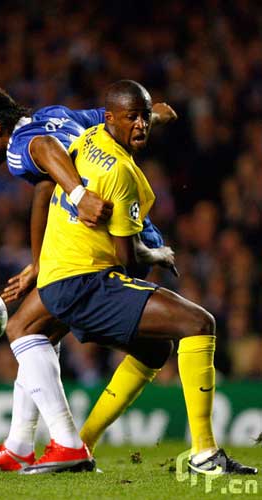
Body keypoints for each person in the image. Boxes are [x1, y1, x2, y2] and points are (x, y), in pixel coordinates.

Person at [22, 79, 257, 476]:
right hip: (85, 281)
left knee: (154, 351)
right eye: (133, 118)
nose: (141, 125)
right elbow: (126, 261)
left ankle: (80, 446)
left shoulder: (91, 136)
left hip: (63, 277)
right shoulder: (119, 172)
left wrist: (158, 112)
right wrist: (157, 253)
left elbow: (48, 186)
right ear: (111, 117)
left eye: (145, 117)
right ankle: (204, 454)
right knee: (198, 322)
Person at [0, 85, 178, 473]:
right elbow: (102, 123)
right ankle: (19, 445)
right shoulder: (59, 113)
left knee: (23, 330)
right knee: (33, 330)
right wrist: (154, 116)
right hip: (131, 231)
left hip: (103, 242)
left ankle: (66, 442)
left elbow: (44, 148)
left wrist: (79, 195)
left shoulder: (19, 146)